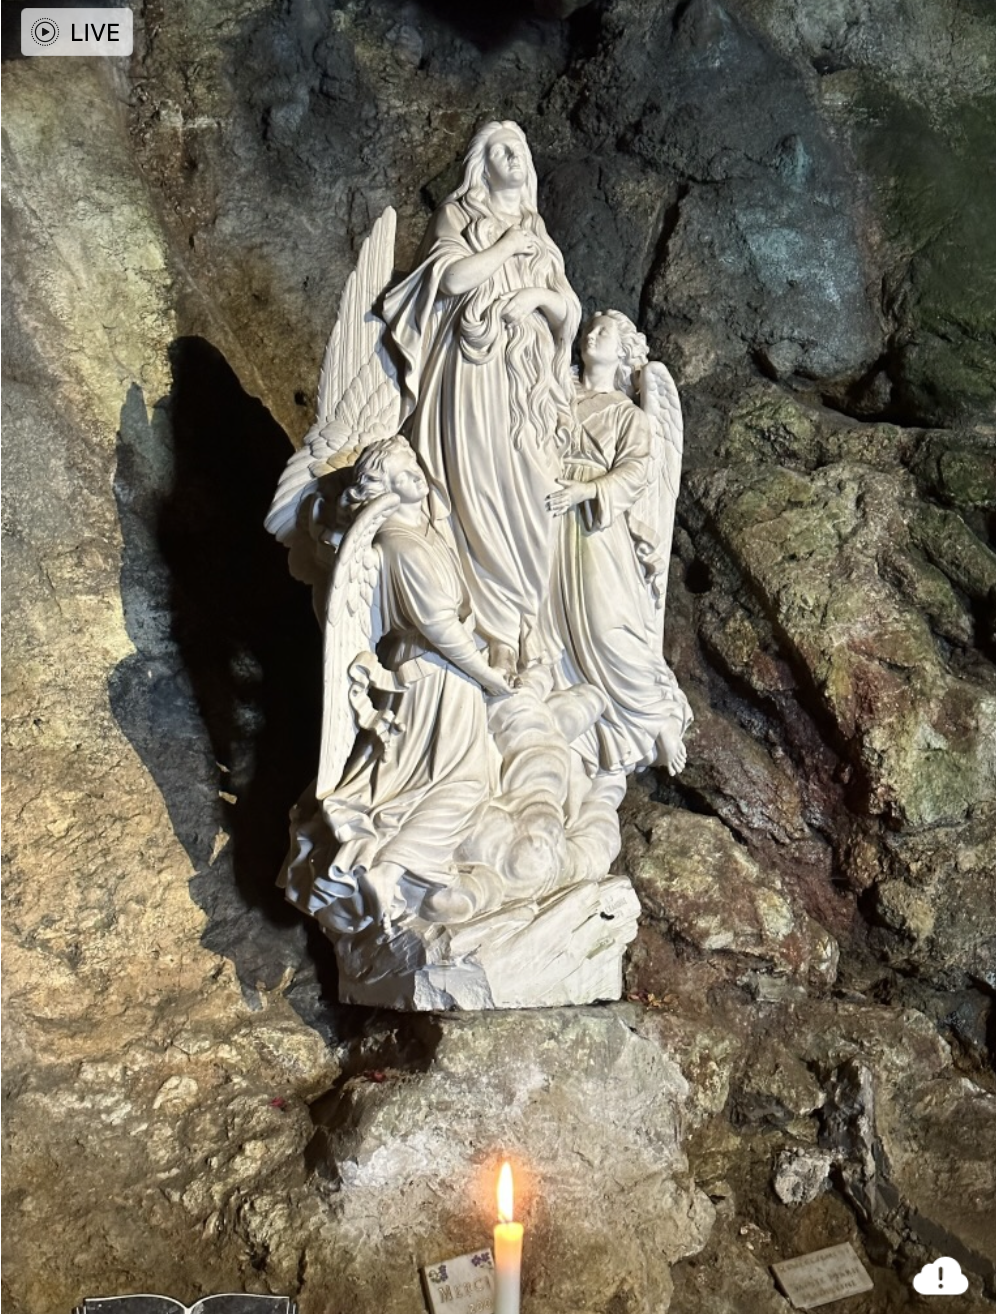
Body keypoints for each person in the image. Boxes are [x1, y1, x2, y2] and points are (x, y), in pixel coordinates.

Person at [382, 121, 582, 678]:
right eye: (499, 149)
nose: (512, 156)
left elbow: (569, 312)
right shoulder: (459, 216)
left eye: (518, 148)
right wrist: (504, 248)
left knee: (536, 494)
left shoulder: (539, 232)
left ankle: (530, 624)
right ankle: (498, 635)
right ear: (481, 165)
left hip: (528, 385)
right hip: (472, 374)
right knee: (478, 493)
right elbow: (448, 280)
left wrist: (538, 294)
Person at [317, 436, 511, 929]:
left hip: (446, 673)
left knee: (440, 781)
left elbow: (461, 611)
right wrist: (489, 676)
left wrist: (498, 647)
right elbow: (440, 627)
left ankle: (393, 873)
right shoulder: (400, 546)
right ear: (382, 485)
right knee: (462, 782)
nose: (418, 474)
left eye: (416, 467)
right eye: (405, 471)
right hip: (436, 676)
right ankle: (387, 870)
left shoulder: (423, 535)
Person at [547, 311, 691, 777]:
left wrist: (587, 490)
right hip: (545, 510)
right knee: (544, 621)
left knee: (607, 627)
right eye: (589, 327)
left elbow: (636, 471)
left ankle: (655, 716)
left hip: (594, 525)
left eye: (604, 331)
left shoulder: (629, 415)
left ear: (624, 350)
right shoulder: (555, 389)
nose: (591, 334)